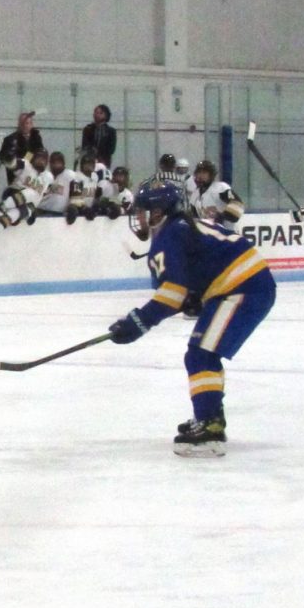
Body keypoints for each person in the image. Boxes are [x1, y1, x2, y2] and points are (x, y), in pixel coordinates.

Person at [109, 180, 275, 456]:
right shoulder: (181, 228)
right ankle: (210, 416)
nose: (138, 217)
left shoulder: (170, 235)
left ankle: (210, 423)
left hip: (243, 287)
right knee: (201, 354)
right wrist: (193, 297)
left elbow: (172, 294)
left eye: (144, 210)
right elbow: (186, 286)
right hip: (243, 285)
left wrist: (137, 322)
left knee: (201, 354)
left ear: (159, 212)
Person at [186, 160, 243, 232]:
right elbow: (194, 217)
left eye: (204, 173)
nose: (200, 176)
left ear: (211, 175)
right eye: (199, 172)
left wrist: (221, 216)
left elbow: (238, 205)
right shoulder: (195, 193)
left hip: (227, 234)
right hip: (209, 236)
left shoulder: (220, 188)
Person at [0, 111, 45, 187]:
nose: (25, 126)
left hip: (33, 179)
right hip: (16, 180)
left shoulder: (36, 139)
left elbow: (40, 154)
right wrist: (9, 156)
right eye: (22, 123)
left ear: (31, 124)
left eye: (27, 123)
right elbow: (3, 157)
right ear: (18, 124)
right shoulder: (10, 139)